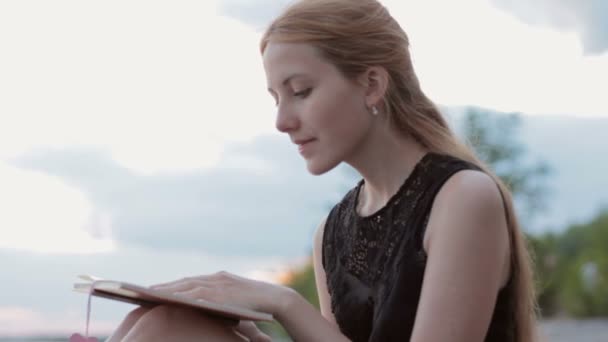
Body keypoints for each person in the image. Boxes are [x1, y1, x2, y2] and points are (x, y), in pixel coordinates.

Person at [107, 0, 539, 341]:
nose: (282, 121)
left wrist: (286, 305)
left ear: (371, 84)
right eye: (276, 98)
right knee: (162, 325)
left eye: (301, 91)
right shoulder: (332, 231)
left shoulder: (462, 197)